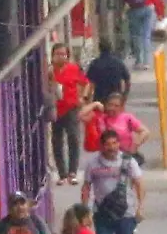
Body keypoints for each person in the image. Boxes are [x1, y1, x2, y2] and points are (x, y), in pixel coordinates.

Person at [81, 130, 145, 234]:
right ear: (101, 146)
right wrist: (85, 212)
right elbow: (86, 187)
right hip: (102, 213)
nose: (112, 147)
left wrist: (140, 207)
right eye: (108, 144)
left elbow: (139, 183)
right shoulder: (92, 164)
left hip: (126, 213)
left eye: (115, 143)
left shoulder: (128, 162)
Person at [49, 44, 90, 186]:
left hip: (71, 108)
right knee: (57, 141)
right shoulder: (49, 71)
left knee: (73, 138)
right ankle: (62, 173)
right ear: (52, 56)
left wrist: (83, 98)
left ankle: (73, 172)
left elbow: (86, 83)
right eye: (57, 54)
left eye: (63, 54)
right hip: (55, 109)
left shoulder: (73, 69)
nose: (60, 57)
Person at [79, 93, 150, 165]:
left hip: (124, 157)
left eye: (116, 106)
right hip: (104, 157)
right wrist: (95, 104)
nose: (112, 108)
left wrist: (134, 146)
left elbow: (145, 132)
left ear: (122, 108)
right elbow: (81, 115)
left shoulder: (127, 118)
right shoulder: (100, 117)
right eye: (110, 105)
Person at [122, 0, 161, 70]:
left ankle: (138, 61)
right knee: (146, 36)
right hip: (148, 10)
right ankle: (146, 62)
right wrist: (159, 12)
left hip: (133, 11)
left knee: (136, 36)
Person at [85, 39, 131, 104]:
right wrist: (124, 95)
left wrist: (88, 100)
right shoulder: (118, 63)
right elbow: (127, 80)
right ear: (110, 48)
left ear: (99, 49)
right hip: (115, 98)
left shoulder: (95, 64)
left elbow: (90, 84)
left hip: (99, 98)